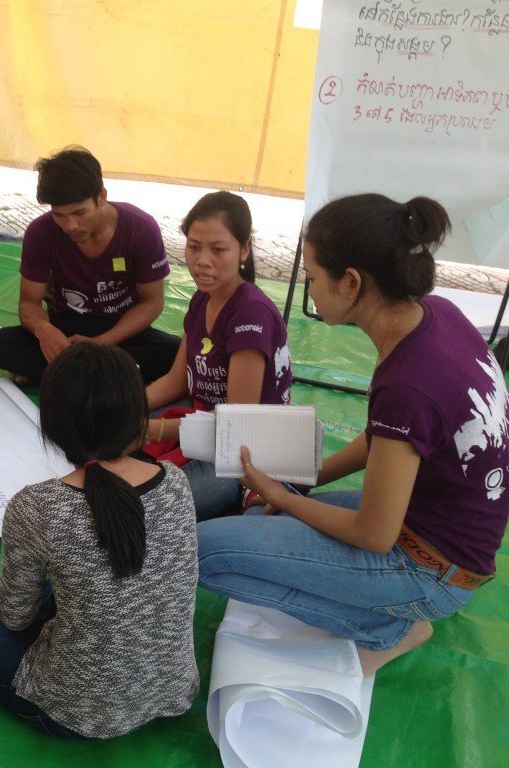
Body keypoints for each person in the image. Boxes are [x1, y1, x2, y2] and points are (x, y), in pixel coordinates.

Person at [198, 194, 509, 676]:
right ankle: (388, 607)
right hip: (435, 532)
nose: (309, 287)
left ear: (351, 282)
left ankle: (387, 628)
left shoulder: (408, 382)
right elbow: (383, 437)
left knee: (203, 551)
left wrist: (282, 490)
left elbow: (373, 533)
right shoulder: (436, 314)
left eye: (313, 276)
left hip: (429, 566)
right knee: (266, 514)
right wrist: (307, 480)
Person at [0, 343, 198, 739]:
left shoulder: (37, 506)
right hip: (171, 689)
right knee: (74, 582)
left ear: (53, 425)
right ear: (138, 418)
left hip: (76, 710)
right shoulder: (176, 481)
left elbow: (17, 619)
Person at [144, 191, 292, 520]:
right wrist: (129, 408)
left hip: (244, 450)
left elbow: (235, 426)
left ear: (245, 249)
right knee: (109, 422)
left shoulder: (249, 315)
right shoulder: (202, 299)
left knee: (152, 510)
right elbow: (176, 379)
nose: (202, 260)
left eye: (218, 249)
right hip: (203, 419)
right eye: (194, 246)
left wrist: (149, 429)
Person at [0, 147, 180, 384]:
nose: (70, 226)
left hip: (121, 329)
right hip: (67, 327)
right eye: (59, 215)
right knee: (1, 345)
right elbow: (29, 303)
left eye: (79, 213)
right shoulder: (41, 232)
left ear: (101, 196)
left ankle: (65, 375)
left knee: (177, 353)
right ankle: (111, 376)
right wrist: (44, 330)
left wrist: (101, 342)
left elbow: (152, 302)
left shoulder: (140, 228)